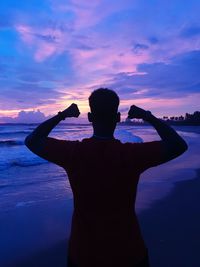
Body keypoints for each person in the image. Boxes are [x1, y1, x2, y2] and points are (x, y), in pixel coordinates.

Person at [25, 88, 188, 267]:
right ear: (118, 118)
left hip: (83, 253)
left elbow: (32, 140)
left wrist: (63, 115)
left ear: (89, 117)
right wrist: (147, 116)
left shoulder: (74, 154)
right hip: (129, 252)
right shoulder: (131, 155)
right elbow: (177, 145)